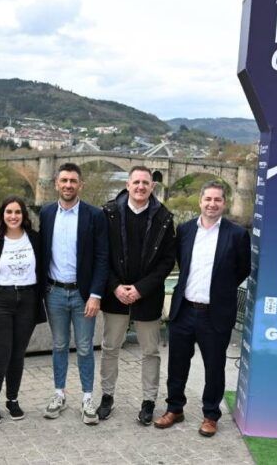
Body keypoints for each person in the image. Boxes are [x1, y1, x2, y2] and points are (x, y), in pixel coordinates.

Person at [154, 180, 250, 437]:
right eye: (208, 199)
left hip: (215, 313)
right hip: (184, 309)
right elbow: (180, 263)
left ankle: (210, 415)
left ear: (224, 203)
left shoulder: (237, 234)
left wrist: (220, 291)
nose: (212, 204)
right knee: (176, 365)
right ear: (200, 201)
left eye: (217, 199)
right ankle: (175, 408)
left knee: (214, 368)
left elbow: (243, 269)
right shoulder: (184, 230)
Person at [97, 166, 175, 425]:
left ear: (153, 186)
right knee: (110, 348)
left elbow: (166, 262)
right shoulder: (108, 213)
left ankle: (149, 401)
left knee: (150, 351)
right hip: (114, 295)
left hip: (148, 296)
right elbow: (102, 256)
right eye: (136, 182)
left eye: (145, 183)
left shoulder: (164, 217)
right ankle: (107, 397)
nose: (141, 187)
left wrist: (141, 288)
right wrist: (115, 286)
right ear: (127, 185)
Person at [39, 162, 109, 425]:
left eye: (73, 181)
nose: (68, 185)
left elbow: (103, 258)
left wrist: (95, 294)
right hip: (55, 291)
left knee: (84, 348)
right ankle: (59, 394)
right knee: (58, 346)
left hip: (83, 295)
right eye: (64, 180)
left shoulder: (94, 215)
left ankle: (88, 398)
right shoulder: (46, 213)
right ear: (56, 183)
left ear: (81, 185)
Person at [0, 196, 45, 424]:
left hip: (27, 300)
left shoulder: (35, 239)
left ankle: (12, 399)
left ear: (24, 215)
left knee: (17, 355)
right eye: (8, 212)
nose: (13, 216)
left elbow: (42, 270)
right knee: (0, 355)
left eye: (17, 212)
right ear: (2, 215)